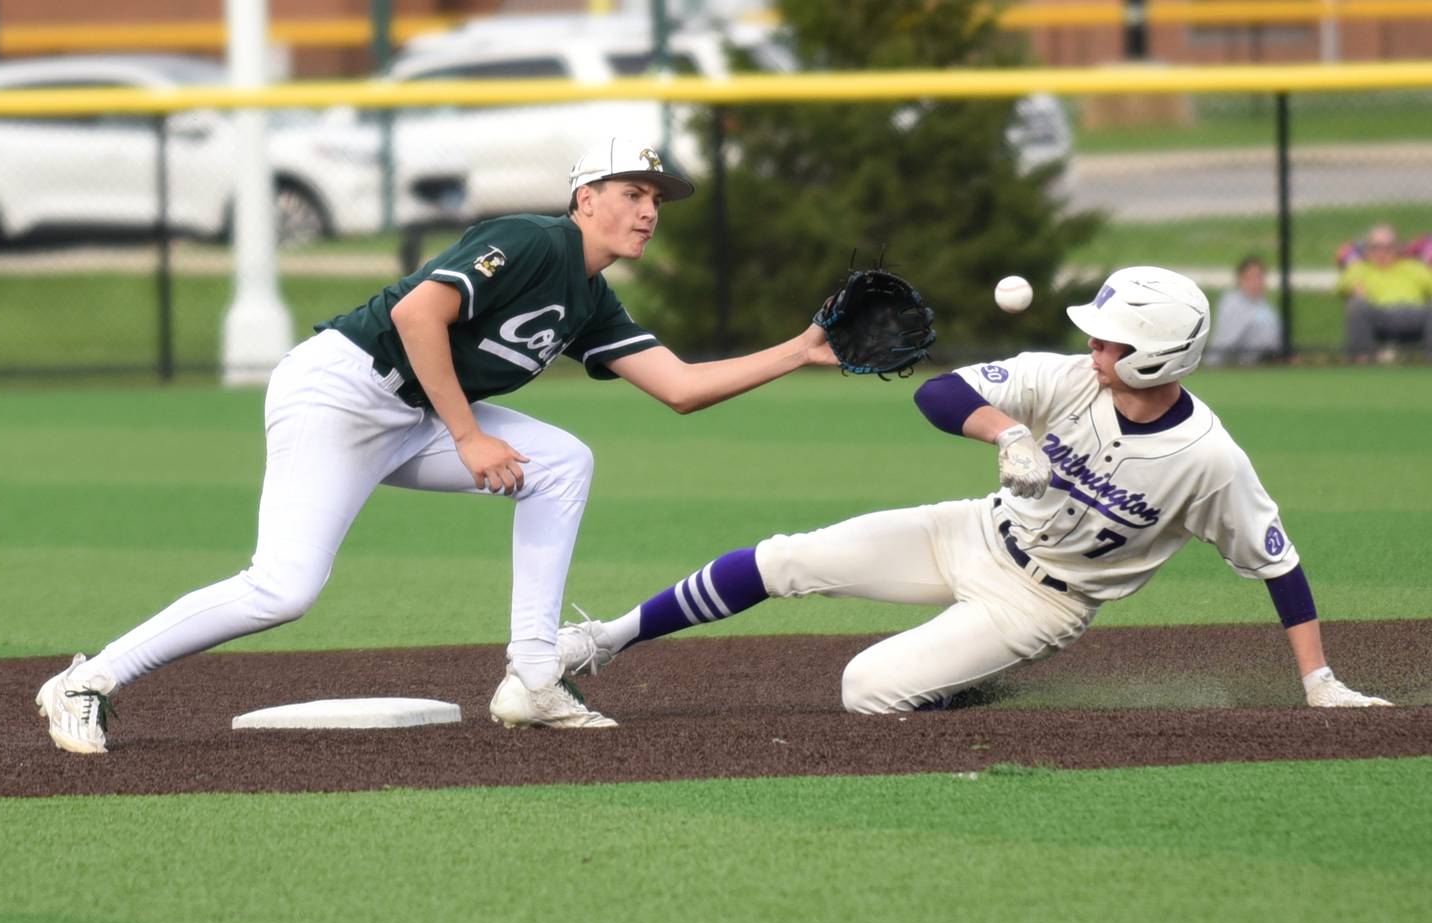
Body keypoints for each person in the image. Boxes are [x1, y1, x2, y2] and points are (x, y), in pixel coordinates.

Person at [35, 137, 841, 752]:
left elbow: (681, 388)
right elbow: (420, 315)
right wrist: (469, 435)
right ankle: (86, 680)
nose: (649, 210)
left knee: (562, 461)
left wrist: (799, 350)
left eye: (657, 198)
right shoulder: (533, 241)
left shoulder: (592, 298)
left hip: (411, 411)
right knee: (283, 588)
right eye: (633, 192)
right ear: (585, 198)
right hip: (340, 392)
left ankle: (533, 674)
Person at [557, 266, 1392, 713]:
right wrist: (1009, 430)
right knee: (784, 559)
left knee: (867, 690)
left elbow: (1279, 564)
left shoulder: (1209, 461)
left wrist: (1318, 682)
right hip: (970, 530)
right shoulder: (1068, 379)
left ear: (1156, 358)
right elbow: (938, 393)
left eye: (1110, 341)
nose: (1094, 347)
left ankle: (960, 683)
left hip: (1038, 606)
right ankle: (602, 641)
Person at [1335, 224, 1432, 362]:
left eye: (1388, 247)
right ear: (1368, 249)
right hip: (1380, 315)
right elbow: (1342, 286)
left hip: (1414, 314)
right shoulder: (1359, 269)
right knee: (1356, 306)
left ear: (1398, 248)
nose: (1382, 252)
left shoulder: (1414, 267)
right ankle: (1362, 360)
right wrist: (1354, 290)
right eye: (1376, 247)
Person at [1206, 254, 1282, 365]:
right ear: (1240, 279)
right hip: (1239, 365)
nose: (1256, 282)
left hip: (1269, 361)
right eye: (1251, 278)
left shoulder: (1264, 304)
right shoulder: (1232, 304)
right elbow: (1226, 344)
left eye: (1260, 277)